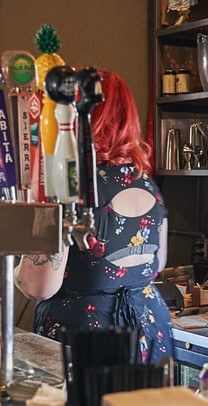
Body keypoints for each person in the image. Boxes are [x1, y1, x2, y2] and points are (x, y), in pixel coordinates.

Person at [15, 70, 172, 364]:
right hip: (149, 329)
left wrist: (17, 271)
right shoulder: (146, 182)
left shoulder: (69, 188)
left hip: (87, 338)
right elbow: (157, 263)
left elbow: (38, 285)